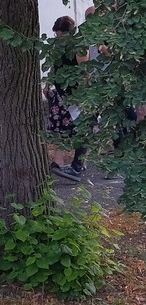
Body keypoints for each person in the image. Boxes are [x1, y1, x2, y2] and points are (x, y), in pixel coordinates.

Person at [44, 15, 87, 182]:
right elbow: (54, 67)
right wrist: (48, 84)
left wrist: (82, 95)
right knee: (61, 128)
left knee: (81, 128)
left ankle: (78, 164)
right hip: (61, 94)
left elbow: (85, 72)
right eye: (57, 34)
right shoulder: (57, 48)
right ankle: (59, 161)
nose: (58, 38)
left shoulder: (79, 48)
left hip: (75, 94)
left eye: (61, 34)